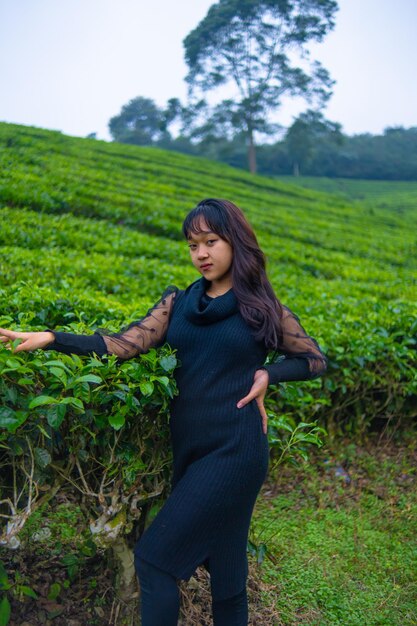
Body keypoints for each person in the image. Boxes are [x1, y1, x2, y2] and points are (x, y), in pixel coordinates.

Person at [0, 198, 327, 625]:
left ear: (236, 242)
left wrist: (269, 374)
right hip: (192, 452)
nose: (201, 254)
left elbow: (314, 360)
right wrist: (50, 336)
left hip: (236, 450)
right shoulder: (178, 303)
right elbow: (122, 345)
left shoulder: (261, 308)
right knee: (228, 576)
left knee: (155, 561)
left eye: (211, 241)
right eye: (193, 246)